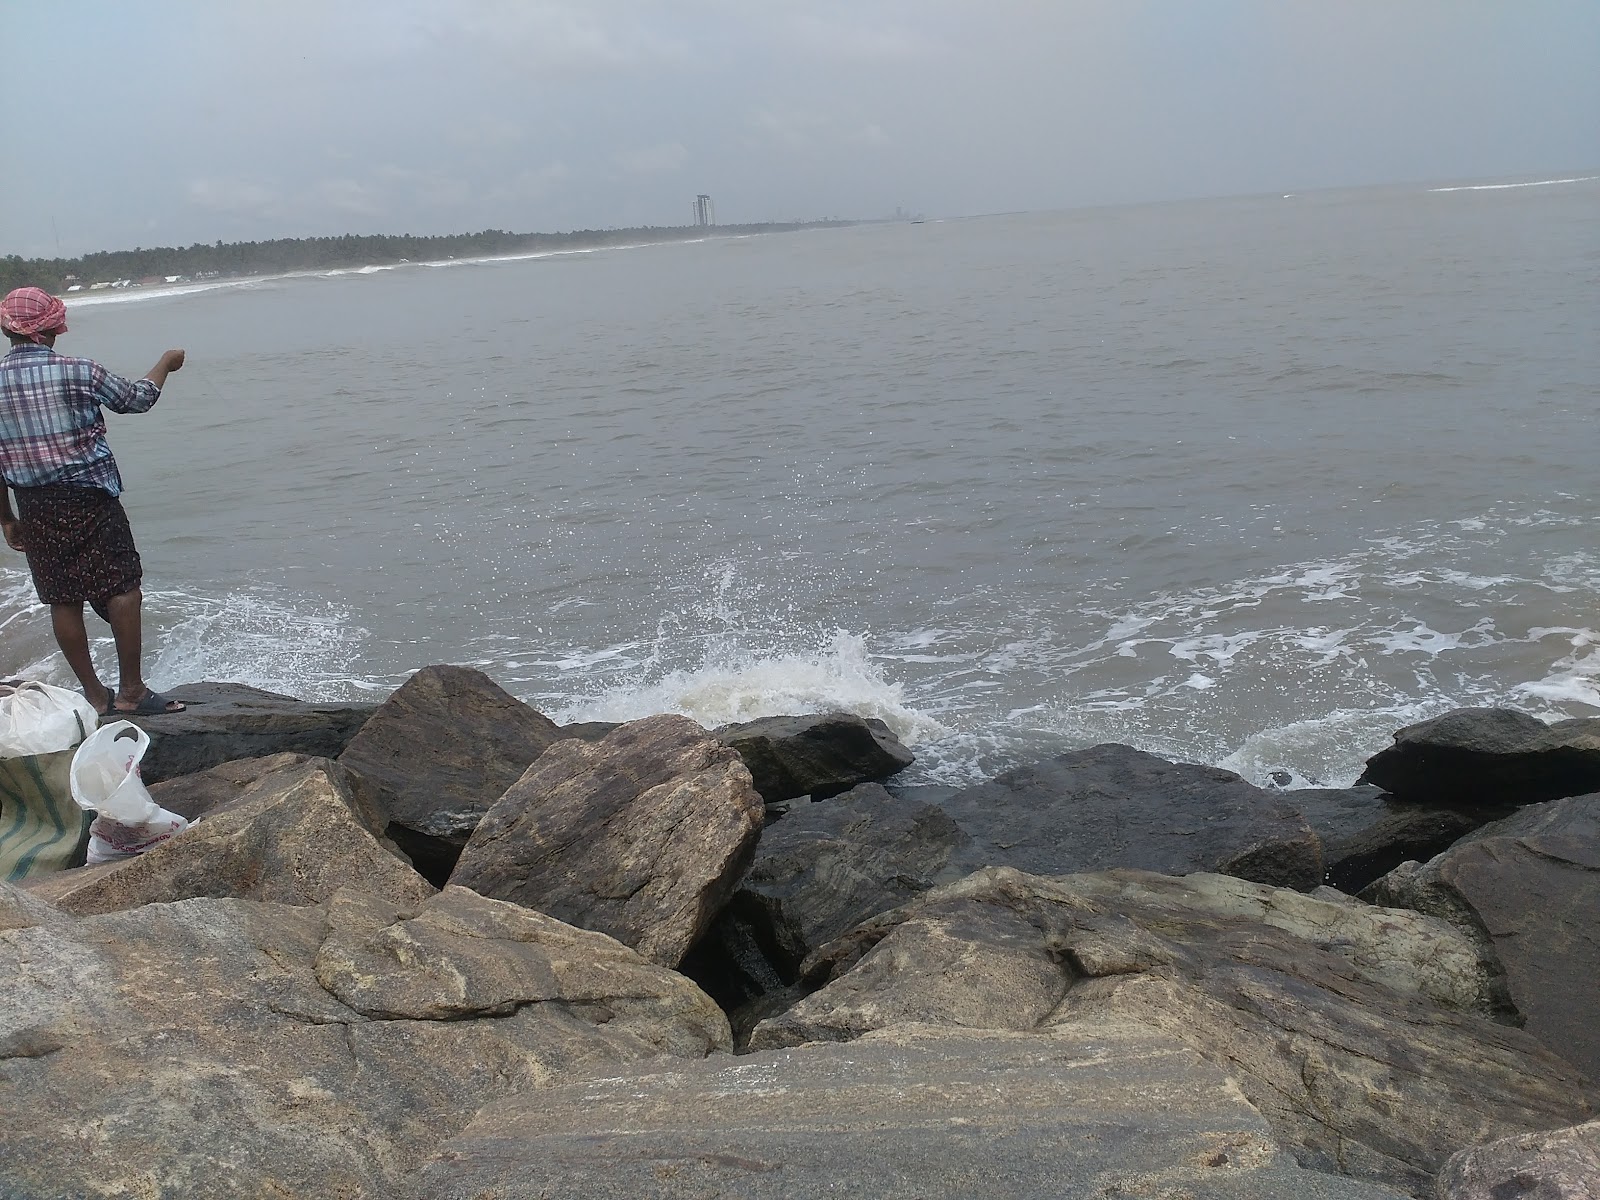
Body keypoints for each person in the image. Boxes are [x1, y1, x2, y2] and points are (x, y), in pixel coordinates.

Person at [0, 286, 188, 715]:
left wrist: (6, 518)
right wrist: (166, 363)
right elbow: (138, 399)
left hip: (34, 504)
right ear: (52, 327)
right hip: (90, 498)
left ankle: (95, 697)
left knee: (63, 598)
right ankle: (131, 692)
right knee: (122, 588)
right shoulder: (78, 371)